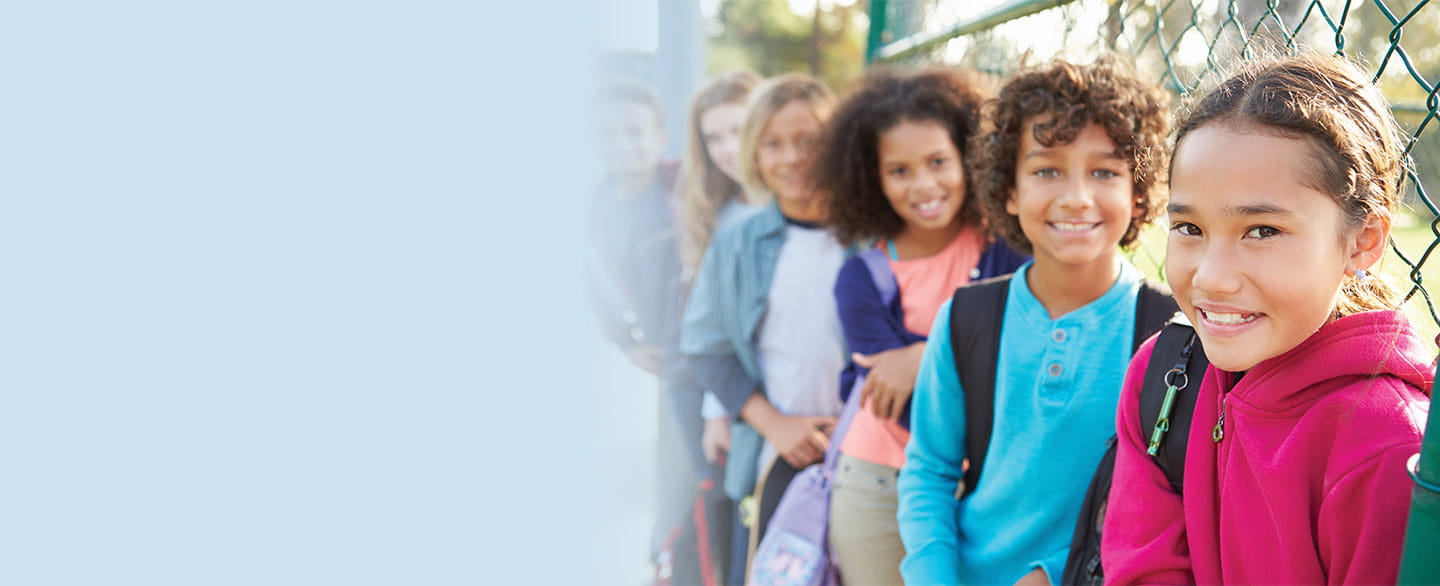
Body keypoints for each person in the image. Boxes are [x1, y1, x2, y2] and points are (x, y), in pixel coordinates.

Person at [1101, 53, 1433, 585]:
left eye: (1261, 231)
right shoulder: (1165, 373)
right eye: (1188, 227)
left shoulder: (1388, 448)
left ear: (1362, 241)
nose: (1211, 277)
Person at [896, 56, 1172, 586]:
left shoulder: (1168, 337)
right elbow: (929, 472)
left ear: (1137, 194)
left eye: (1105, 172)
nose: (1075, 197)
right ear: (1010, 190)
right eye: (1047, 170)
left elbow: (1164, 505)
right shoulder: (968, 318)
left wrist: (1056, 571)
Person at [816, 67, 1028, 585]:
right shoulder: (861, 278)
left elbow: (1022, 348)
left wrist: (918, 355)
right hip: (877, 481)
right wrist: (959, 351)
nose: (924, 185)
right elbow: (899, 398)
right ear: (873, 178)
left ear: (969, 158)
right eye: (900, 170)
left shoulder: (1005, 248)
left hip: (991, 483)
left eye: (938, 162)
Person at [679, 73, 842, 556]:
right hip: (773, 459)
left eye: (808, 141)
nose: (791, 157)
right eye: (773, 144)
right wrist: (772, 423)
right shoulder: (735, 245)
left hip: (863, 457)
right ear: (754, 154)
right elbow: (705, 350)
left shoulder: (873, 236)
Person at [584, 79, 695, 573]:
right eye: (607, 133)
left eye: (634, 131)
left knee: (703, 468)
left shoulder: (683, 186)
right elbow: (586, 282)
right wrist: (625, 342)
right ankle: (668, 559)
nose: (622, 144)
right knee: (676, 472)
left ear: (659, 136)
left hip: (712, 352)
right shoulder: (591, 208)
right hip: (670, 362)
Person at [672, 69, 764, 585]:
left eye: (739, 129)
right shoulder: (720, 216)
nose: (730, 148)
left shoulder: (807, 207)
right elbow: (714, 332)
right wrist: (717, 410)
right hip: (739, 399)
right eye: (715, 138)